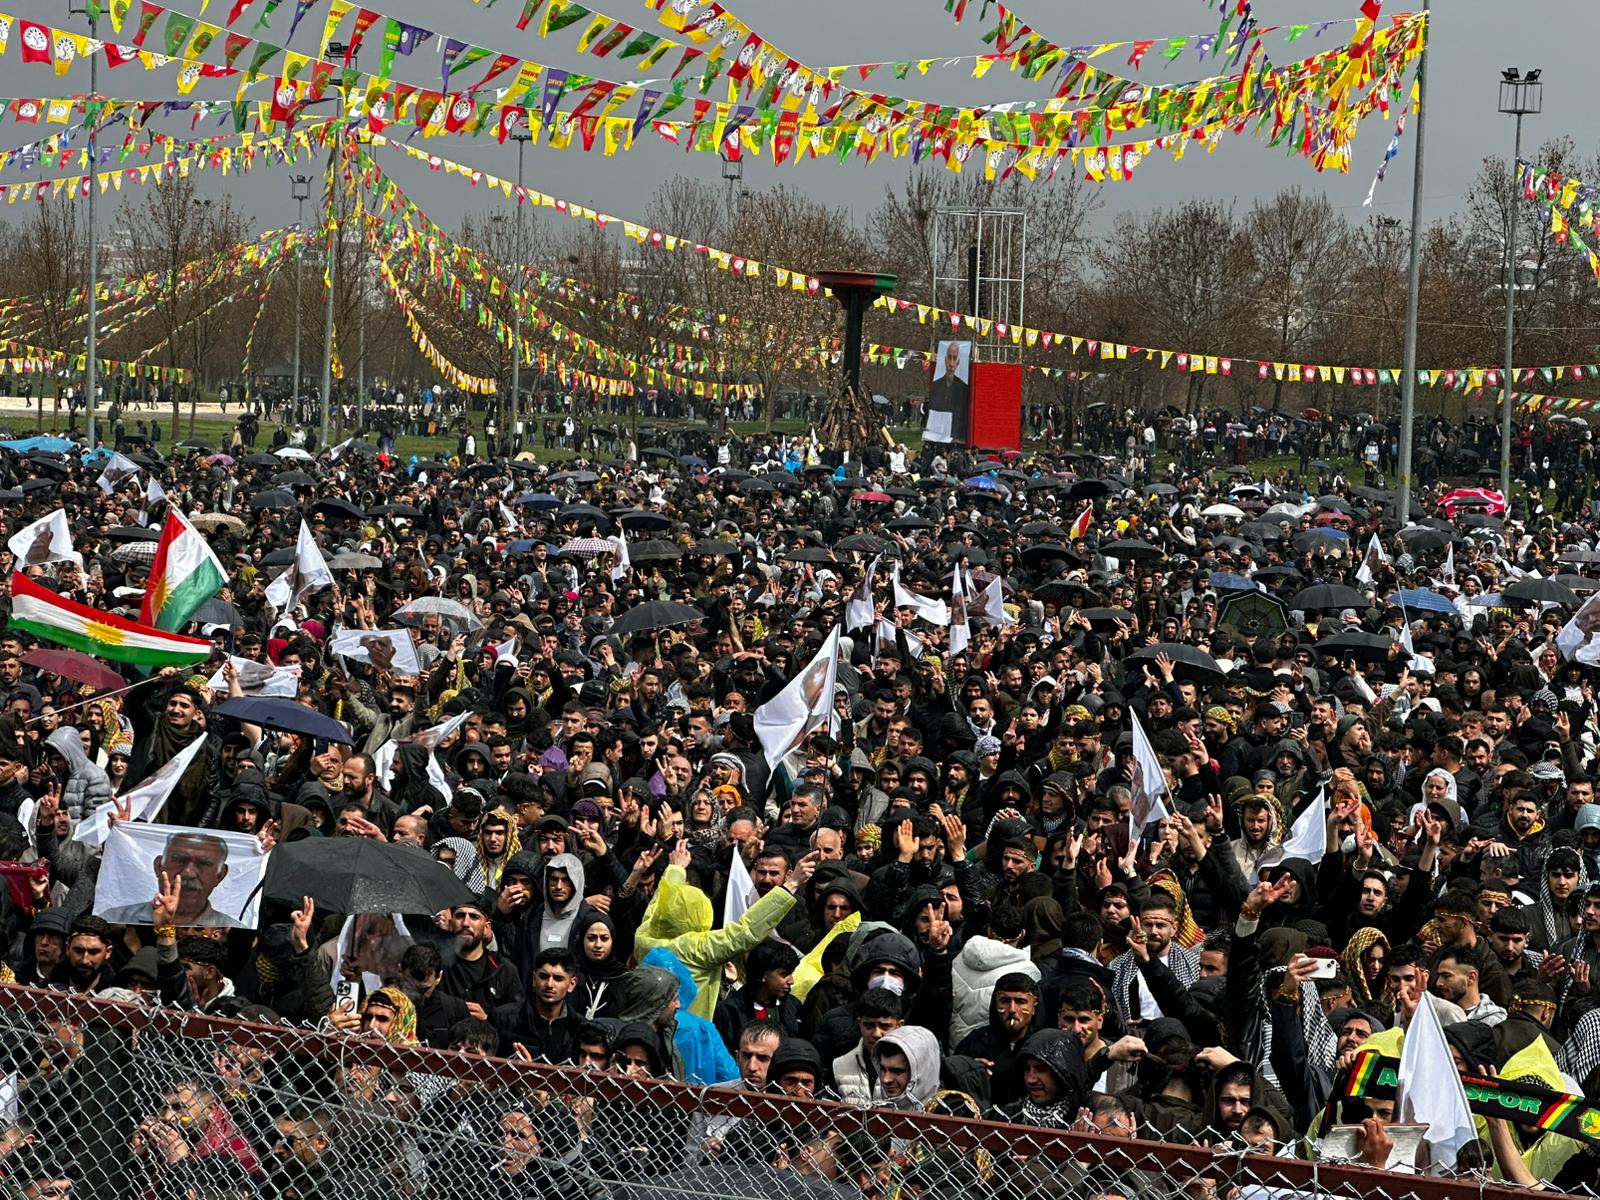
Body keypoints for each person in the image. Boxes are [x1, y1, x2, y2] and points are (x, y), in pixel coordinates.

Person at [99, 831, 237, 928]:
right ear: (159, 866)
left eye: (204, 863)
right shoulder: (115, 919)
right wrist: (121, 830)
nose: (188, 873)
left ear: (220, 875)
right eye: (179, 860)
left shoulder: (232, 929)